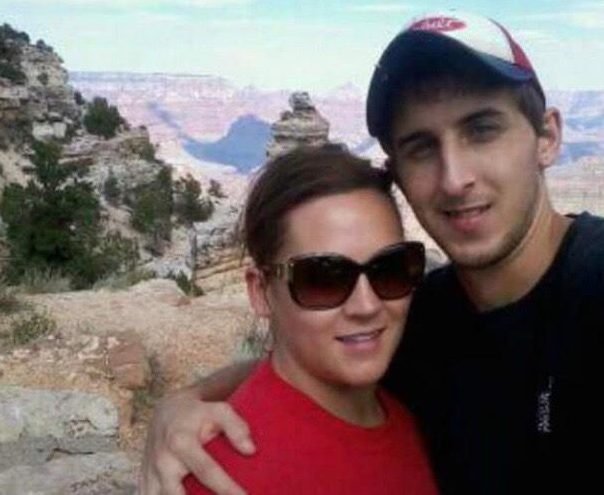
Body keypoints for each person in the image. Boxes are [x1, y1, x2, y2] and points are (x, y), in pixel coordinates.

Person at [139, 11, 604, 495]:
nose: (455, 178)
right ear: (398, 172)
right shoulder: (415, 313)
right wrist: (183, 402)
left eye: (482, 130)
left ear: (547, 137)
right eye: (422, 147)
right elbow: (311, 361)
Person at [180, 144, 437, 494]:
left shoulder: (413, 414)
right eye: (324, 278)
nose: (366, 305)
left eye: (390, 269)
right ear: (261, 291)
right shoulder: (222, 477)